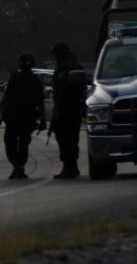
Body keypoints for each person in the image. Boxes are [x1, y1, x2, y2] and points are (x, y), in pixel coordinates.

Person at [0, 53, 46, 179]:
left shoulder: (15, 77)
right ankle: (19, 167)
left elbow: (6, 96)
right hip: (28, 117)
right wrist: (43, 118)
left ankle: (17, 166)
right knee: (24, 143)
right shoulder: (36, 80)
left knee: (10, 142)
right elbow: (40, 101)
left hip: (13, 117)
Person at [50, 42, 87, 179]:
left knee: (64, 137)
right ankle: (72, 166)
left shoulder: (64, 68)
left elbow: (62, 92)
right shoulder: (76, 65)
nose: (54, 56)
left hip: (66, 109)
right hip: (76, 109)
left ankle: (69, 166)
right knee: (73, 137)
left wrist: (58, 109)